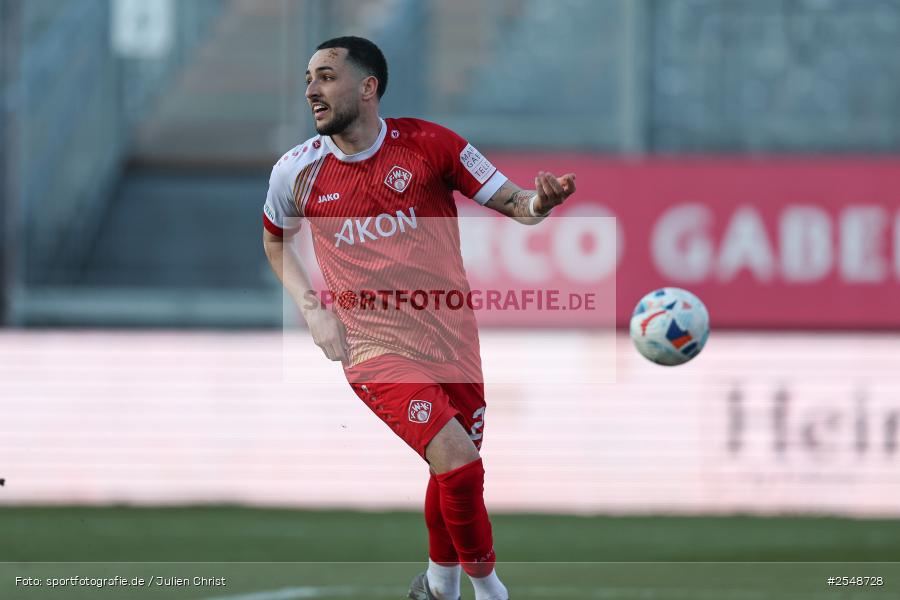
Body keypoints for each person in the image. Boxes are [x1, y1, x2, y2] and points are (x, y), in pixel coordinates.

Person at [262, 36, 575, 600]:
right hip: (372, 347)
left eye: (326, 76)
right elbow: (275, 243)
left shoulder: (432, 145)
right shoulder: (296, 172)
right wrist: (313, 312)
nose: (311, 88)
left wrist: (541, 203)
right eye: (308, 78)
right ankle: (491, 593)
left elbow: (514, 202)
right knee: (458, 460)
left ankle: (437, 587)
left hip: (451, 339)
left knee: (454, 466)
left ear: (368, 87)